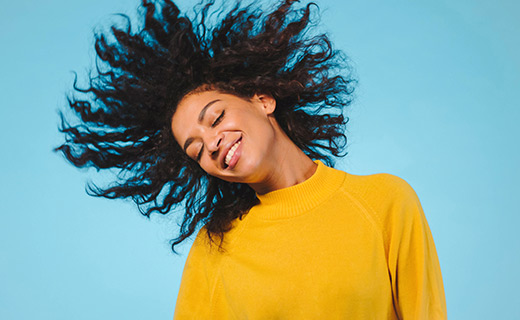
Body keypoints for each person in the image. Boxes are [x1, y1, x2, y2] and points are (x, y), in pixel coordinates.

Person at [57, 0, 447, 318]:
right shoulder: (216, 248)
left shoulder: (383, 202)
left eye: (216, 117)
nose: (211, 143)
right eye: (196, 150)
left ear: (262, 99)